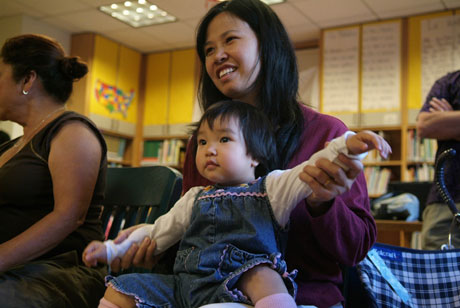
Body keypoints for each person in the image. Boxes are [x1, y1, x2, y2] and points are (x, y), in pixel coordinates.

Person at [109, 1, 378, 307]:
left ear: (267, 46)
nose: (217, 56)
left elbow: (356, 250)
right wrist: (150, 244)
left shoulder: (326, 134)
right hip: (207, 294)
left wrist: (323, 204)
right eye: (208, 50)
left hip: (303, 296)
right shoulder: (203, 143)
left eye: (230, 39)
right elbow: (195, 234)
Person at [84, 100, 391, 308]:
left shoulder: (271, 187)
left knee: (263, 273)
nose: (209, 150)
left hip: (242, 287)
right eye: (202, 142)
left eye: (224, 140)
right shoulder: (193, 197)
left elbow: (311, 169)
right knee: (122, 287)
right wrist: (112, 249)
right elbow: (156, 232)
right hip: (187, 287)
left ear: (255, 155)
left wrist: (347, 147)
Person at [0, 34, 108, 307]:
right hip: (18, 270)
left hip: (60, 271)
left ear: (27, 80)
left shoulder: (72, 131)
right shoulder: (12, 146)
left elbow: (69, 217)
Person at [418, 70, 460, 250]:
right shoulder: (449, 82)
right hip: (446, 199)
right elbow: (425, 125)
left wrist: (450, 122)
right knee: (436, 272)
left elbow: (436, 124)